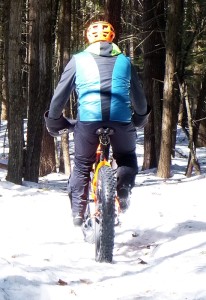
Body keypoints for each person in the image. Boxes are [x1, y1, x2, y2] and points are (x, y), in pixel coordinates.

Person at [45, 21, 150, 227]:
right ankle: (123, 189)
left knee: (83, 165)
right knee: (127, 157)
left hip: (88, 122)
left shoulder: (78, 60)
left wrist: (54, 120)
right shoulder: (125, 61)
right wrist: (139, 118)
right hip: (121, 121)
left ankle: (78, 213)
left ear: (88, 38)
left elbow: (60, 96)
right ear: (112, 38)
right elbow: (139, 99)